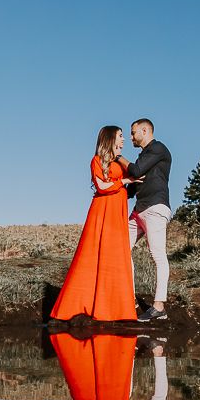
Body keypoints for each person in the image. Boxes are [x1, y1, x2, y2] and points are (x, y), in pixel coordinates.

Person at [50, 126, 137, 323]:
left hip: (117, 213)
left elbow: (130, 180)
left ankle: (116, 309)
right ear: (110, 138)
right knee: (93, 255)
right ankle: (82, 304)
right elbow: (102, 186)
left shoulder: (120, 162)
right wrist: (124, 180)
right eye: (121, 136)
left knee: (116, 257)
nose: (124, 140)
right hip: (103, 211)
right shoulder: (97, 160)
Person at [115, 119, 172, 322]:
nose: (130, 137)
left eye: (133, 133)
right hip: (139, 210)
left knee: (158, 255)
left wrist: (118, 157)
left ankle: (159, 306)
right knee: (120, 249)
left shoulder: (158, 149)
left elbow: (136, 171)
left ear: (145, 130)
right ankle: (130, 299)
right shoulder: (144, 155)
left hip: (155, 208)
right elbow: (132, 186)